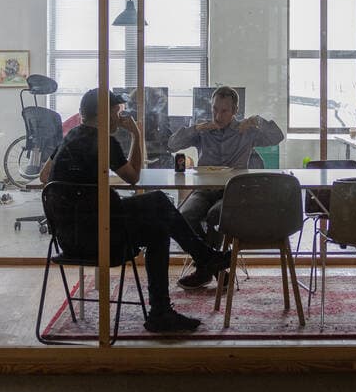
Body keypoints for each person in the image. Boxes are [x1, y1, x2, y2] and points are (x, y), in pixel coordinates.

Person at [41, 88, 229, 334]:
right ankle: (201, 262)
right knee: (160, 201)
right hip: (100, 236)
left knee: (158, 227)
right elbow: (132, 176)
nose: (119, 117)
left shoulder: (71, 136)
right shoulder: (103, 141)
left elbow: (45, 176)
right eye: (116, 111)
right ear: (103, 114)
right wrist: (136, 133)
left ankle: (164, 309)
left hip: (70, 238)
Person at [167, 85, 285, 248]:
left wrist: (257, 120)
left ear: (235, 110)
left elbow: (277, 137)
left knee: (215, 216)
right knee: (183, 217)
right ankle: (210, 259)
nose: (217, 116)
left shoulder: (246, 130)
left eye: (224, 111)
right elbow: (172, 145)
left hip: (234, 192)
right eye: (215, 109)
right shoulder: (203, 130)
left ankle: (207, 265)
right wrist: (196, 128)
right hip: (204, 190)